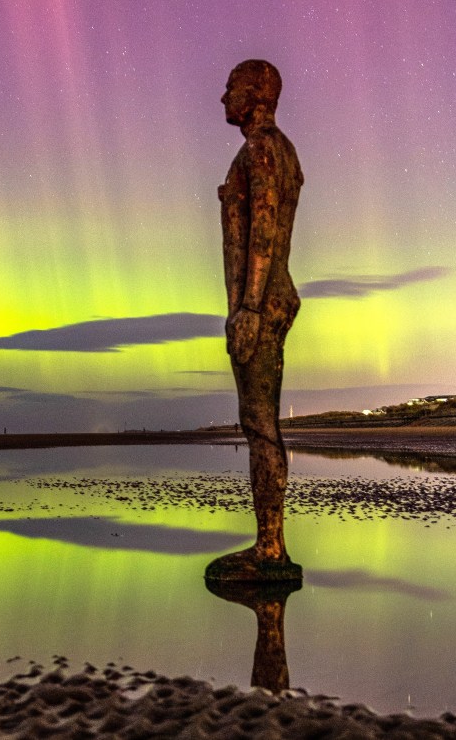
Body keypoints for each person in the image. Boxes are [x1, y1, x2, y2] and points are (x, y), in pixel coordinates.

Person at [205, 59, 303, 582]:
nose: (223, 98)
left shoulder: (262, 148)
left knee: (259, 424)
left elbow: (263, 225)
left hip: (261, 302)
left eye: (230, 88)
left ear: (256, 93)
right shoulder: (275, 148)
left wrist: (248, 307)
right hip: (267, 299)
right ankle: (270, 542)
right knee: (260, 423)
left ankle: (270, 549)